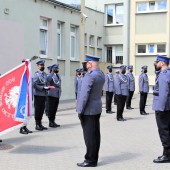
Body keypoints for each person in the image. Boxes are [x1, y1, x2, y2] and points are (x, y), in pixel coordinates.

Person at [76, 54, 105, 167]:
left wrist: (80, 110)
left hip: (88, 110)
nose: (85, 65)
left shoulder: (89, 76)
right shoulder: (101, 74)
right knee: (95, 135)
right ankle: (93, 157)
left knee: (89, 136)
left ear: (90, 64)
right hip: (96, 108)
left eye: (86, 63)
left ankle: (90, 160)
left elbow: (84, 95)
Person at [152, 55, 170, 163]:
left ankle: (166, 155)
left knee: (164, 131)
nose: (156, 64)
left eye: (157, 62)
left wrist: (161, 108)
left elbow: (163, 93)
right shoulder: (167, 73)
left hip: (162, 107)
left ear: (162, 63)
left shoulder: (163, 75)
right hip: (168, 106)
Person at [32, 60, 51, 131]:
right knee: (37, 109)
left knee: (42, 109)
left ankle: (40, 124)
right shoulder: (36, 75)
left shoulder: (45, 74)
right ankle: (37, 124)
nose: (42, 66)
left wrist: (48, 87)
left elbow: (46, 82)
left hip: (44, 94)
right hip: (38, 94)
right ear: (38, 66)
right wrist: (42, 88)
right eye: (41, 65)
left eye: (43, 65)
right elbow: (34, 84)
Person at [19, 59, 33, 134]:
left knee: (27, 112)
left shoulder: (28, 74)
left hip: (28, 97)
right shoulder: (21, 73)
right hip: (22, 97)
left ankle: (25, 126)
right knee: (23, 112)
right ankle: (21, 128)